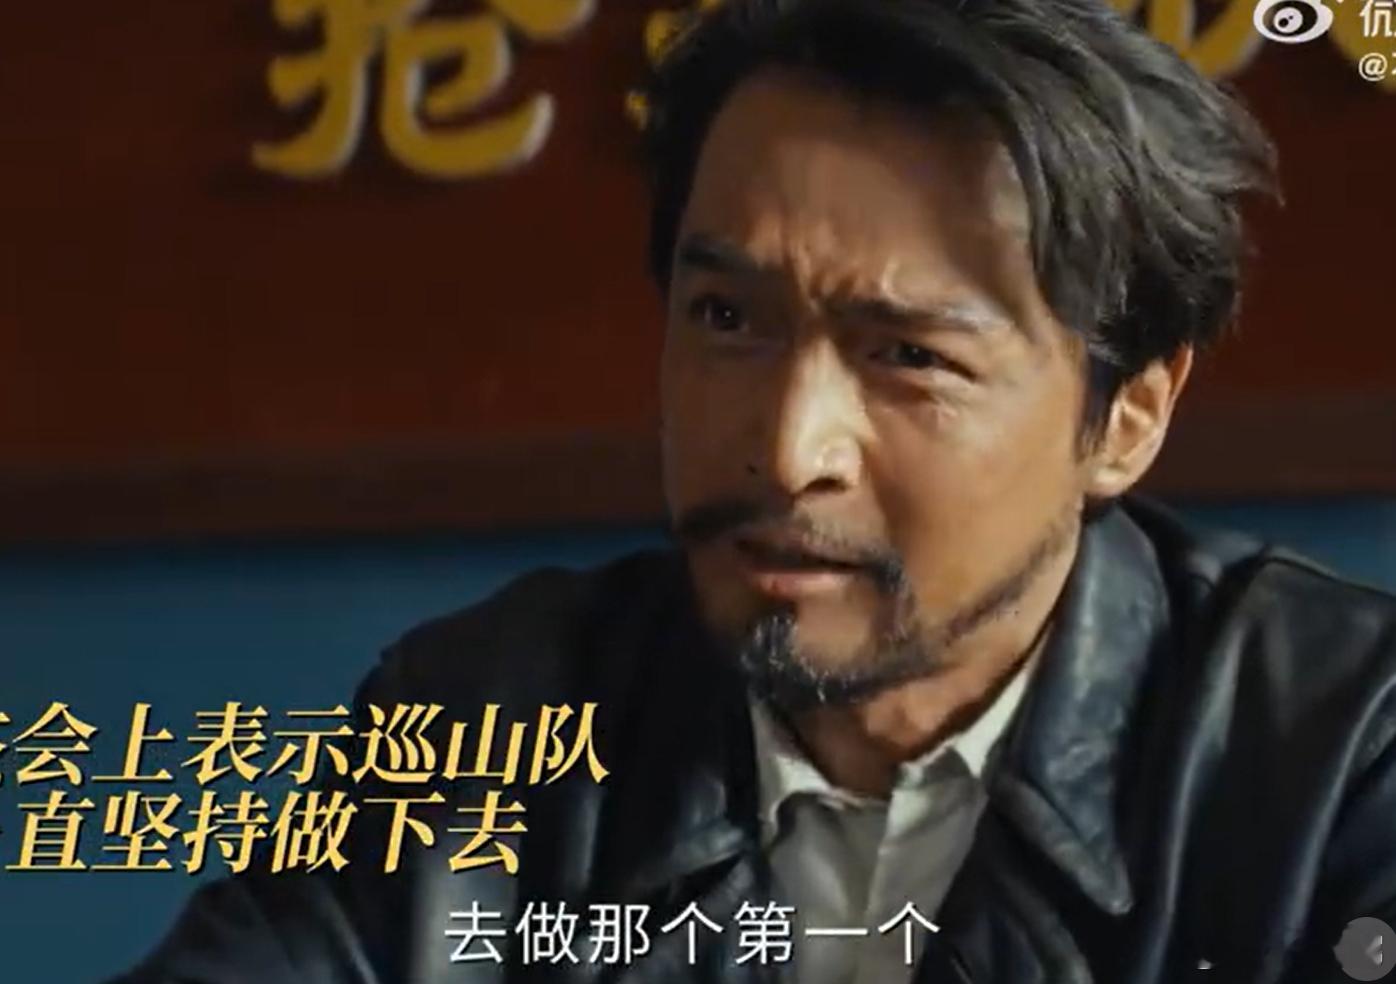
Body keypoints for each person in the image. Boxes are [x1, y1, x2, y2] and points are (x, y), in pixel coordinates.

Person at [112, 0, 1396, 981]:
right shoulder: (487, 720)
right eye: (727, 318)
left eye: (909, 356)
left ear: (1125, 418)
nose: (788, 452)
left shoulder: (1340, 757)